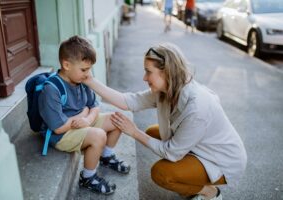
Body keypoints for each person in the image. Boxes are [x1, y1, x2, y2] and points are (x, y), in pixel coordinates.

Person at [82, 43, 247, 200]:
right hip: (200, 147)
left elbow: (171, 153)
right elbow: (129, 101)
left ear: (167, 72)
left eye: (148, 72)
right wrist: (90, 81)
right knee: (153, 133)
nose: (144, 77)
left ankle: (210, 192)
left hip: (221, 160)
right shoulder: (166, 89)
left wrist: (133, 132)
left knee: (161, 173)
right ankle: (190, 174)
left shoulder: (197, 108)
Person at [38, 35, 130, 195]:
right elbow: (58, 128)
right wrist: (83, 114)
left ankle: (106, 156)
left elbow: (94, 107)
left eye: (89, 69)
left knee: (118, 119)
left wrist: (87, 118)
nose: (88, 74)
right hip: (61, 134)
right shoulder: (51, 90)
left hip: (81, 123)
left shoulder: (82, 80)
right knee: (98, 135)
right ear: (66, 65)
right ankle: (88, 177)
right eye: (84, 69)